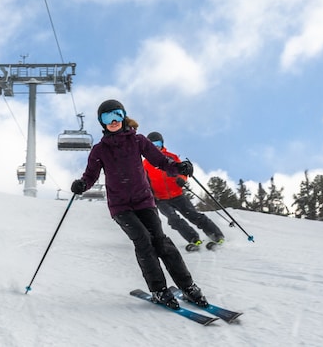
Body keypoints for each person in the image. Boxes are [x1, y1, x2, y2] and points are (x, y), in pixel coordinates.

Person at [70, 99, 208, 310]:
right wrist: (82, 184)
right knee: (143, 241)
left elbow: (160, 161)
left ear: (124, 116)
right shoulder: (99, 150)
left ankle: (188, 287)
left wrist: (179, 167)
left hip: (144, 200)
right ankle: (159, 290)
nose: (113, 121)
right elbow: (90, 175)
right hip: (120, 206)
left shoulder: (138, 141)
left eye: (116, 115)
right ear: (102, 123)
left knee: (160, 242)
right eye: (107, 118)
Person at [143, 132, 225, 251]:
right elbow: (144, 182)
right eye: (152, 144)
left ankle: (217, 235)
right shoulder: (145, 164)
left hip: (177, 195)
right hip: (161, 199)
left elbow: (183, 171)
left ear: (162, 143)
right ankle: (193, 239)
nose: (156, 147)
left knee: (193, 215)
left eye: (158, 144)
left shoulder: (171, 157)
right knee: (173, 219)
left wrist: (182, 179)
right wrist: (150, 195)